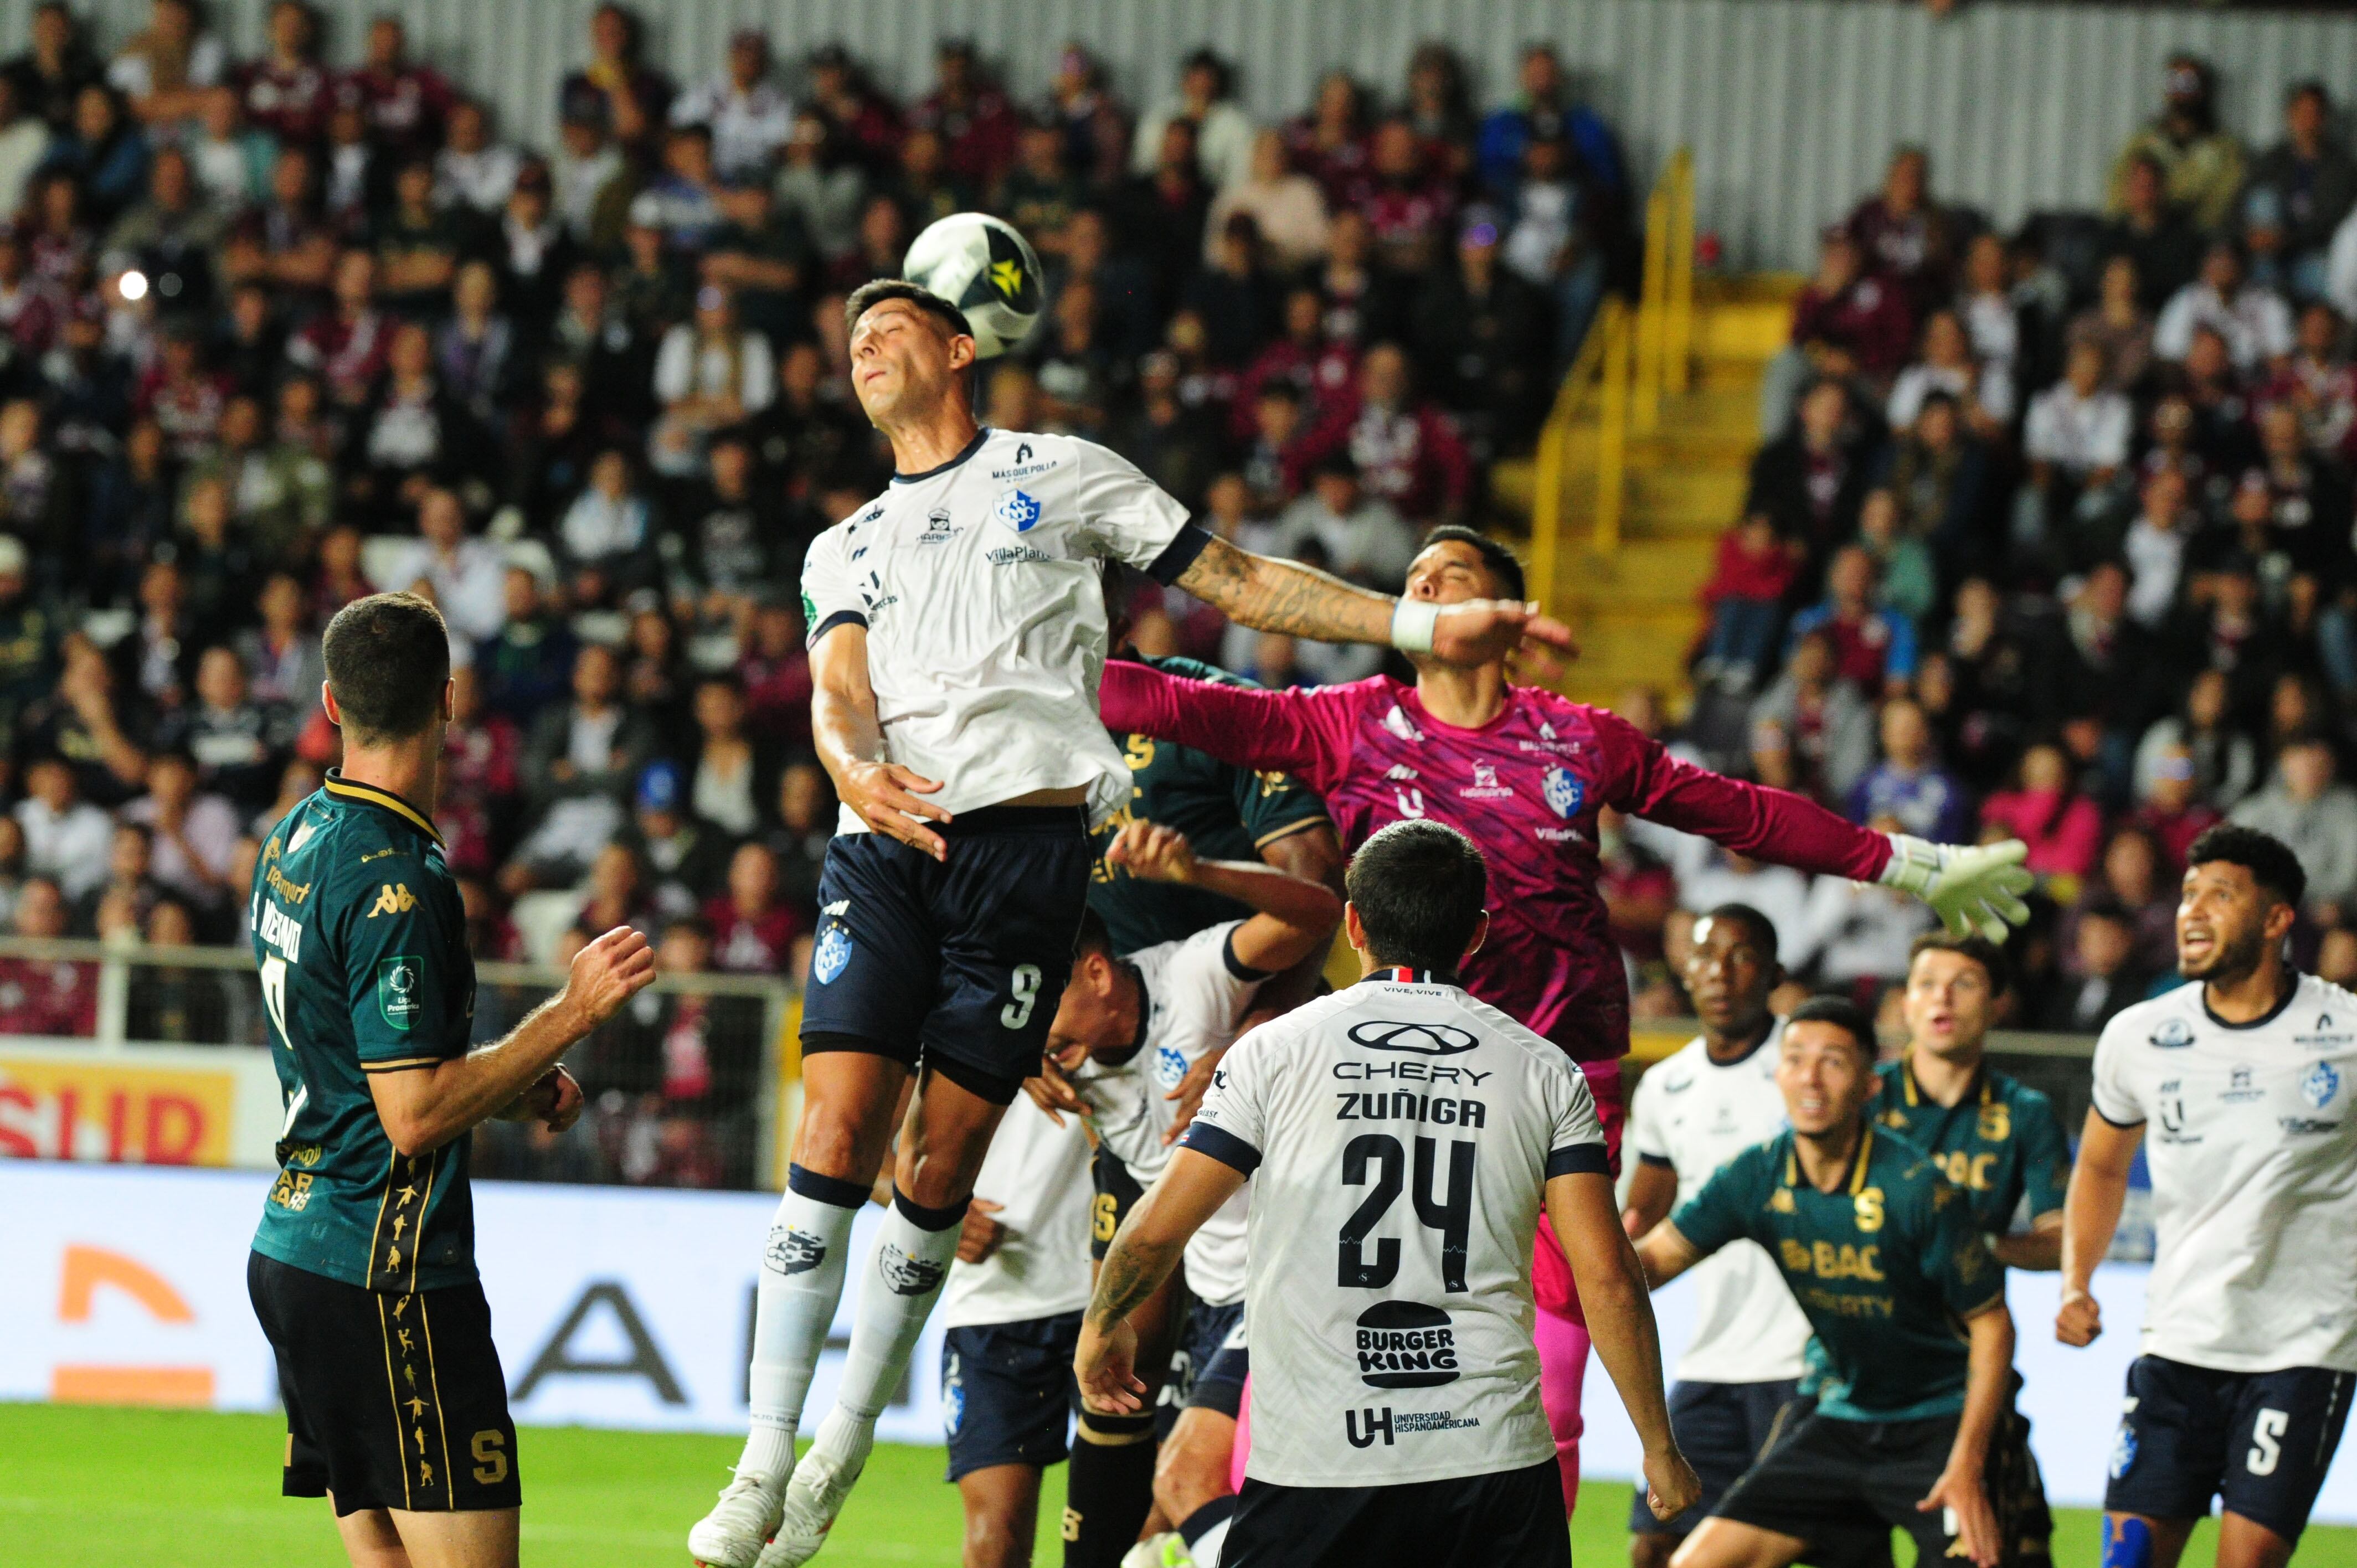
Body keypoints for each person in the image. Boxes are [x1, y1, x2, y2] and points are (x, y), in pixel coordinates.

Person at [688, 277, 1573, 1568]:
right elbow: (837, 683)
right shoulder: (847, 543)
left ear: (958, 347)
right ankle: (768, 1449)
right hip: (885, 840)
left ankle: (840, 1450)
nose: (864, 345)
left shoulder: (1063, 472)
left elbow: (1237, 579)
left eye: (891, 328)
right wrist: (845, 763)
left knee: (938, 1173)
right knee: (831, 1129)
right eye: (852, 336)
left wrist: (1417, 622)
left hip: (1031, 858)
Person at [1099, 525, 2032, 1509]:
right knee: (1325, 1347)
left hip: (1554, 1081)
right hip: (1389, 1076)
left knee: (1550, 1376)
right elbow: (1144, 699)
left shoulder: (1578, 739)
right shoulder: (1344, 721)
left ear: (1506, 615)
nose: (1425, 588)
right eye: (1413, 578)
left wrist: (1911, 863)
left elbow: (1741, 812)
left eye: (1451, 576)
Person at [1075, 819, 1699, 1568]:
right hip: (1492, 1459)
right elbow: (1608, 1275)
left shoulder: (1270, 1054)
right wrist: (1658, 1446)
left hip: (1320, 1459)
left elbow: (1154, 1230)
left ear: (1354, 923)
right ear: (1475, 936)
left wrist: (1103, 1327)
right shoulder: (1545, 1071)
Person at [245, 592, 657, 1568]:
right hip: (386, 1272)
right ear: (448, 699)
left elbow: (356, 1048)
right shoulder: (401, 871)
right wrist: (571, 1014)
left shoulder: (296, 834)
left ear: (332, 705)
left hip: (296, 1250)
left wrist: (515, 1083)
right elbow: (415, 1115)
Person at [1041, 818, 1340, 1567]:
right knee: (1154, 1542)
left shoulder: (1192, 977)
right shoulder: (1059, 1064)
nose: (1034, 1032)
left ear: (1099, 975)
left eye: (1045, 1003)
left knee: (1186, 1481)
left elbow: (1316, 914)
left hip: (1282, 1286)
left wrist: (1196, 871)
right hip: (1210, 1306)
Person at [2058, 824, 2357, 1568]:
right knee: (2125, 1561)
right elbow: (2099, 1167)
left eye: (2220, 896)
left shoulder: (2346, 1033)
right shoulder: (2140, 1036)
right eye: (2188, 894)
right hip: (2177, 1342)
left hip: (2303, 1349)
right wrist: (2076, 1281)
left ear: (2278, 918)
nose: (2193, 911)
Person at [1632, 996, 2019, 1568]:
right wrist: (1578, 1243)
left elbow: (1991, 1323)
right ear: (1778, 1075)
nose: (1809, 1077)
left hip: (1940, 1424)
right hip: (1840, 1420)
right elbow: (1654, 1262)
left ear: (1868, 1084)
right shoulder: (1754, 1174)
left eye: (1833, 1062)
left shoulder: (1915, 1186)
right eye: (1795, 1059)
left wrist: (1965, 1466)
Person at [1617, 906, 1813, 1568]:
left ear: (1775, 972)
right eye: (1704, 957)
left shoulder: (1808, 1067)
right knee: (1655, 1540)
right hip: (1711, 1359)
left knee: (1795, 1549)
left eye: (1740, 955)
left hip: (1805, 1361)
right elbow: (1641, 1222)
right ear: (1683, 970)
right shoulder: (1667, 1086)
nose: (1719, 973)